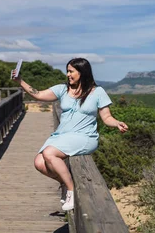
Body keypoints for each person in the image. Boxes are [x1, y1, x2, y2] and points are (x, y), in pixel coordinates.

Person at [11, 57, 128, 211]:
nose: (68, 74)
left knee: (49, 153)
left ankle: (71, 190)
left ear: (82, 72)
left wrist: (117, 123)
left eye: (71, 71)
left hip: (85, 137)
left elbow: (106, 117)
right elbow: (38, 94)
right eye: (67, 71)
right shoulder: (62, 89)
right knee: (39, 163)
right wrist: (20, 81)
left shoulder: (98, 92)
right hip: (62, 136)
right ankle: (65, 183)